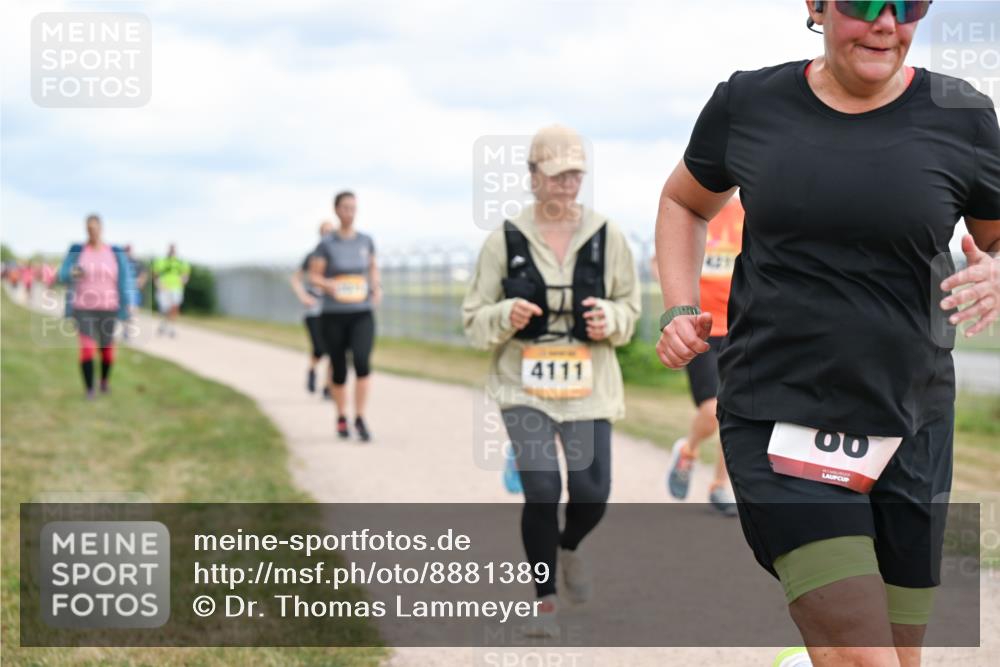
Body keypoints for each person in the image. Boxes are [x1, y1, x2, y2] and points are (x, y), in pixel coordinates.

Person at [654, 2, 999, 666]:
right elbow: (685, 201)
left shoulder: (963, 114)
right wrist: (677, 306)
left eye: (909, 4)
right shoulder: (748, 102)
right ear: (815, 6)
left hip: (913, 423)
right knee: (862, 657)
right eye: (863, 2)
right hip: (780, 418)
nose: (886, 22)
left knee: (898, 657)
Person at [463, 125, 641, 637]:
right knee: (541, 489)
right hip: (523, 382)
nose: (568, 185)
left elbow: (631, 308)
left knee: (592, 492)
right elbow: (474, 320)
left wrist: (612, 317)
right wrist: (505, 315)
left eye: (575, 175)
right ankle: (543, 603)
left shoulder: (609, 236)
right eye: (558, 175)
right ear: (533, 176)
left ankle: (570, 549)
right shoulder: (504, 239)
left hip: (589, 384)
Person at [662, 197, 743, 517]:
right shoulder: (694, 205)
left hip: (739, 325)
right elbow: (662, 260)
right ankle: (688, 449)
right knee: (712, 410)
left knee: (734, 411)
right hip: (699, 326)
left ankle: (719, 485)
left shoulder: (749, 211)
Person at [308, 192, 380, 442]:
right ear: (337, 210)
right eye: (345, 208)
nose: (350, 212)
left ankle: (359, 417)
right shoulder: (326, 244)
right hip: (334, 313)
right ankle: (341, 415)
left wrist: (376, 287)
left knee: (362, 362)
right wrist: (331, 286)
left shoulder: (365, 241)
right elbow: (314, 277)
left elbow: (372, 267)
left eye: (353, 208)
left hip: (361, 312)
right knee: (339, 368)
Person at [57, 214, 136, 398]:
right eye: (89, 228)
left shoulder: (114, 252)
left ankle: (104, 381)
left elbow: (124, 280)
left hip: (109, 307)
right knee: (87, 347)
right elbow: (62, 274)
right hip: (82, 307)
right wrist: (75, 272)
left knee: (107, 351)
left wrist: (129, 303)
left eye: (95, 228)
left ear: (101, 228)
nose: (92, 231)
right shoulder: (77, 250)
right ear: (86, 230)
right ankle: (89, 389)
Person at [291, 221, 334, 398]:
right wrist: (303, 296)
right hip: (314, 309)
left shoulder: (339, 256)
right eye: (325, 232)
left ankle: (328, 386)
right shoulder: (312, 256)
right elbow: (295, 279)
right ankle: (312, 370)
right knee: (319, 348)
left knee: (335, 350)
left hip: (332, 309)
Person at [152, 244, 190, 337]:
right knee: (164, 309)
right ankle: (163, 324)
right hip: (164, 287)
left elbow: (185, 274)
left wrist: (184, 280)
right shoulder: (161, 261)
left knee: (174, 307)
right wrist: (158, 284)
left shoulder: (181, 262)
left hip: (176, 288)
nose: (172, 251)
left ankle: (172, 327)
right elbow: (155, 273)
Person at [123, 244, 148, 341]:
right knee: (125, 311)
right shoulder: (120, 262)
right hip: (123, 290)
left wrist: (140, 282)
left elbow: (144, 273)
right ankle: (126, 329)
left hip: (134, 291)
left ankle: (128, 331)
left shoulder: (137, 262)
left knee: (132, 311)